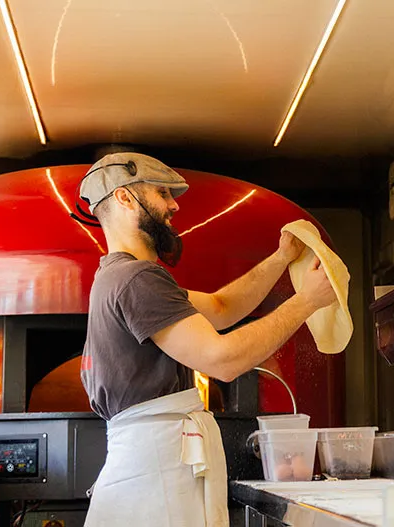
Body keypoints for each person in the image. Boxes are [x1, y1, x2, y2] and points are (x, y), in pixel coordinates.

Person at [77, 153, 336, 526]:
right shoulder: (136, 280)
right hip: (156, 474)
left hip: (152, 467)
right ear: (124, 197)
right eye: (162, 192)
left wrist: (281, 258)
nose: (174, 204)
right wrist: (307, 301)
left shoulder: (120, 277)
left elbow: (221, 306)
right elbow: (223, 360)